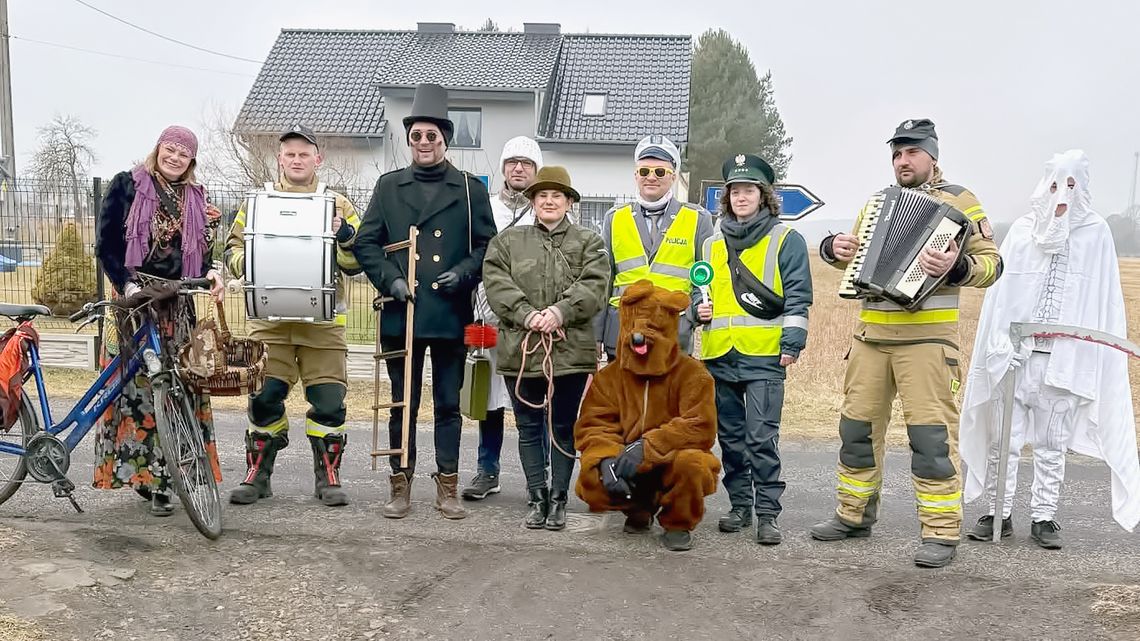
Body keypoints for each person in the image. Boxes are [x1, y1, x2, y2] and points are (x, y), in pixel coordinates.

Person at [810, 118, 1003, 568]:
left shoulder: (962, 201)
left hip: (928, 343)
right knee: (856, 432)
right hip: (871, 338)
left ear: (932, 155)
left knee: (930, 439)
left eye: (911, 152)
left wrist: (956, 268)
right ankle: (853, 515)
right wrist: (831, 248)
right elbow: (854, 258)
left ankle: (940, 530)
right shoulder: (879, 203)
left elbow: (993, 265)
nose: (902, 160)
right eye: (897, 153)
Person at [960, 149, 1140, 548]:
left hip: (1065, 361)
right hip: (1015, 359)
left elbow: (1104, 301)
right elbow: (1001, 297)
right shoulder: (1023, 231)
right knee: (1003, 440)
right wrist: (1003, 345)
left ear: (1084, 187)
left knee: (1050, 443)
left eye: (1072, 185)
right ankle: (998, 512)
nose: (1063, 195)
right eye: (1057, 184)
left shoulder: (1096, 234)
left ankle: (1044, 517)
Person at [354, 83, 496, 520]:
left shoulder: (470, 190)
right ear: (409, 140)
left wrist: (466, 271)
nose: (424, 143)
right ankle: (401, 484)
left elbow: (488, 245)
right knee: (404, 401)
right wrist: (391, 281)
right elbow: (366, 244)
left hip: (450, 315)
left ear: (445, 139)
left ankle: (447, 485)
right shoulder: (389, 186)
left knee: (449, 404)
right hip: (405, 314)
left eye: (432, 136)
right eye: (417, 136)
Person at [223, 124, 363, 507]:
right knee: (264, 398)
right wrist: (247, 265)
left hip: (324, 324)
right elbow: (232, 249)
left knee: (329, 401)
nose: (297, 160)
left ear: (318, 159)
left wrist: (346, 235)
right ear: (279, 159)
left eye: (304, 154)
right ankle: (258, 475)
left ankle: (328, 476)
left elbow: (356, 263)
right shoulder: (256, 203)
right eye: (290, 154)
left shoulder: (338, 204)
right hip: (269, 323)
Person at [94, 125, 225, 516]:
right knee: (138, 391)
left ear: (191, 161)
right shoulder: (126, 185)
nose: (175, 157)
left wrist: (213, 271)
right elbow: (106, 246)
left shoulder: (194, 198)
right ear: (158, 149)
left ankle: (179, 477)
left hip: (177, 306)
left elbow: (199, 256)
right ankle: (147, 480)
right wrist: (127, 284)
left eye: (183, 154)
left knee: (180, 389)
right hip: (134, 304)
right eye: (170, 149)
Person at [482, 165, 609, 529]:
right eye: (542, 196)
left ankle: (559, 498)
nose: (549, 201)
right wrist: (526, 315)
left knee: (563, 425)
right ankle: (536, 496)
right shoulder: (507, 241)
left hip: (570, 352)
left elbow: (595, 286)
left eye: (557, 195)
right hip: (521, 349)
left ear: (569, 202)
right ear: (533, 201)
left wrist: (559, 312)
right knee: (528, 426)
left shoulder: (590, 243)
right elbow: (496, 283)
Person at [696, 153, 812, 546]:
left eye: (749, 190)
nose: (741, 197)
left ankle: (767, 514)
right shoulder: (712, 243)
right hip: (719, 353)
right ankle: (740, 506)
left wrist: (792, 342)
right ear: (726, 198)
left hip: (764, 355)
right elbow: (702, 292)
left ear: (764, 196)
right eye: (735, 191)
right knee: (730, 438)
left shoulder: (786, 239)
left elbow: (798, 296)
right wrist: (699, 308)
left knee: (760, 437)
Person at [575, 279, 720, 551]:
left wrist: (648, 447)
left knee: (694, 464)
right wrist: (606, 459)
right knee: (592, 474)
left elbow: (700, 427)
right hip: (628, 463)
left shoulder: (693, 374)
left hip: (671, 461)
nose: (639, 336)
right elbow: (593, 425)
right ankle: (637, 508)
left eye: (651, 328)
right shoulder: (609, 376)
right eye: (632, 328)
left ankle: (678, 521)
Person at [462, 136, 544, 502]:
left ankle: (536, 477)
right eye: (512, 162)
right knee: (488, 398)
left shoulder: (546, 207)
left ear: (536, 170)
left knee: (532, 399)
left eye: (526, 163)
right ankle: (487, 469)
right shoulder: (486, 207)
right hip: (487, 315)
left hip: (528, 321)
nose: (518, 168)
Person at [595, 135, 714, 360]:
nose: (651, 177)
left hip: (673, 334)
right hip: (622, 334)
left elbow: (705, 278)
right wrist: (596, 337)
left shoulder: (698, 219)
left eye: (660, 172)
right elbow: (603, 281)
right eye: (644, 171)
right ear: (635, 175)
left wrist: (697, 312)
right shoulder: (614, 218)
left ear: (673, 176)